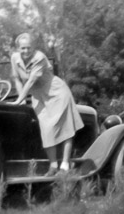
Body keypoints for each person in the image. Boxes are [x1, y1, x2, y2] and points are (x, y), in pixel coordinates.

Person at [10, 33, 84, 176]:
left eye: (28, 48)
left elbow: (31, 81)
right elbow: (17, 78)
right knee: (47, 129)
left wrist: (20, 99)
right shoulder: (15, 58)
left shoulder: (39, 58)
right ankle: (53, 166)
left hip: (56, 93)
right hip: (39, 96)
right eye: (22, 48)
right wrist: (22, 100)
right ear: (18, 48)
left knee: (66, 128)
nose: (25, 51)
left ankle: (65, 165)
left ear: (34, 47)